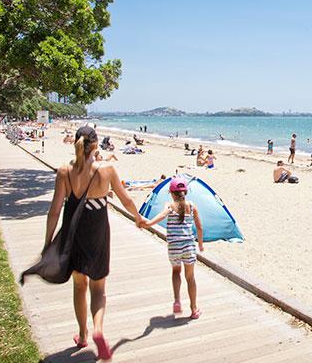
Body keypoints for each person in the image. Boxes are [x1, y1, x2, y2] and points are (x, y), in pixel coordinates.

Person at [42, 126, 143, 359]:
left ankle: (82, 333)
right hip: (98, 232)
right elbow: (126, 200)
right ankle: (98, 330)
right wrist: (139, 218)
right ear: (96, 145)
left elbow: (55, 211)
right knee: (99, 287)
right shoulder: (107, 169)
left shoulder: (64, 171)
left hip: (74, 232)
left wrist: (48, 242)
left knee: (80, 285)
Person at [139, 178, 204, 319]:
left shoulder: (169, 205)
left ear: (171, 192)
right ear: (185, 192)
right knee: (190, 277)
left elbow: (161, 216)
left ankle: (177, 300)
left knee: (176, 272)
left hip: (174, 246)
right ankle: (193, 308)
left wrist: (148, 224)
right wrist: (200, 244)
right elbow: (199, 227)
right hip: (188, 245)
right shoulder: (192, 206)